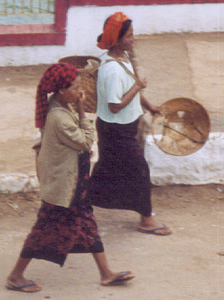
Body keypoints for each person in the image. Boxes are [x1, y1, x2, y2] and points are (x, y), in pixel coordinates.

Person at [6, 63, 134, 293]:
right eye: (76, 87)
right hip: (64, 187)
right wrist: (83, 111)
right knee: (44, 229)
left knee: (88, 223)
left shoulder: (62, 107)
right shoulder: (59, 118)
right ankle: (15, 276)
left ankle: (106, 273)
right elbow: (86, 141)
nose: (80, 92)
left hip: (75, 184)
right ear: (61, 90)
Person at [88, 12, 172, 236]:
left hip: (118, 128)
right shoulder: (112, 70)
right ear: (117, 40)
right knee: (139, 170)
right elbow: (115, 105)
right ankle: (146, 220)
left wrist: (149, 105)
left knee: (106, 169)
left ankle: (79, 203)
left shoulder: (121, 59)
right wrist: (138, 88)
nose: (133, 39)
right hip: (116, 131)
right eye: (129, 36)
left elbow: (130, 90)